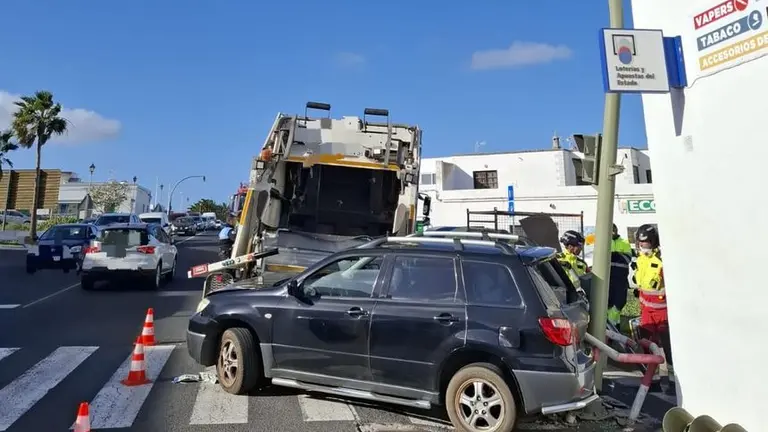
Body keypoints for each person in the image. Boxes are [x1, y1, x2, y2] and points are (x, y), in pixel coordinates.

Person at [632, 224, 673, 386]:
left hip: (662, 311)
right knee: (648, 345)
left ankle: (672, 379)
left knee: (668, 347)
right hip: (646, 310)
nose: (643, 246)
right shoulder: (641, 259)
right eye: (641, 243)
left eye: (646, 243)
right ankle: (652, 378)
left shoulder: (662, 260)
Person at [608, 224, 633, 325]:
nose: (612, 233)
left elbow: (627, 258)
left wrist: (612, 255)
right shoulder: (605, 241)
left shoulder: (624, 242)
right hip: (608, 278)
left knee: (620, 301)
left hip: (620, 278)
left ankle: (612, 322)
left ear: (616, 231)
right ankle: (611, 324)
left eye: (613, 231)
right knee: (608, 302)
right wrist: (618, 255)